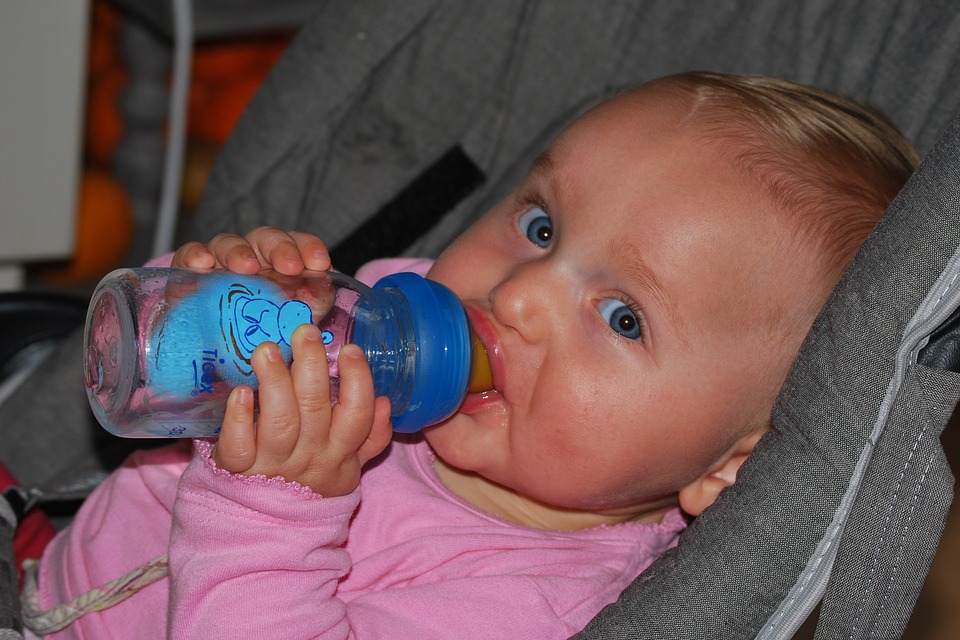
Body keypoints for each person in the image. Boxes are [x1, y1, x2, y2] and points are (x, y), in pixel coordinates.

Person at [24, 72, 919, 639]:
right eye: (542, 227)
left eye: (623, 318)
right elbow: (156, 388)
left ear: (730, 467)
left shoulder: (539, 605)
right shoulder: (381, 313)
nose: (519, 294)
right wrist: (212, 306)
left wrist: (270, 508)